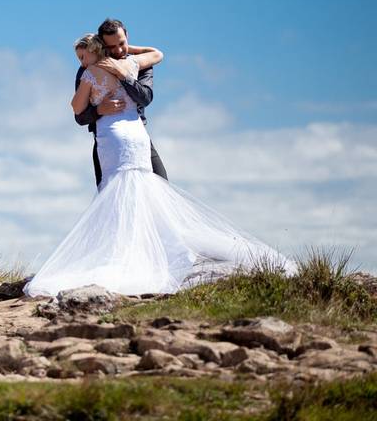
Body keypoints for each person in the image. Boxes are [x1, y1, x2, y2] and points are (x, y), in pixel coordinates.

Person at [23, 33, 295, 296]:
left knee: (128, 196)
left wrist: (114, 68)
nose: (81, 62)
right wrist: (102, 105)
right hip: (133, 138)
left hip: (120, 140)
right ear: (103, 46)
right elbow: (156, 55)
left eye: (83, 56)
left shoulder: (98, 70)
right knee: (139, 193)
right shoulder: (127, 63)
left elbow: (83, 107)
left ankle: (147, 255)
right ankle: (148, 253)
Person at [75, 18, 167, 186]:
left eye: (122, 43)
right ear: (102, 45)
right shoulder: (87, 69)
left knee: (162, 188)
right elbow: (79, 117)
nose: (118, 50)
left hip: (139, 139)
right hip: (105, 143)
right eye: (111, 47)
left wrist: (122, 74)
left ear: (127, 36)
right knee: (110, 202)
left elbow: (145, 98)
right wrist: (98, 110)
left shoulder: (140, 63)